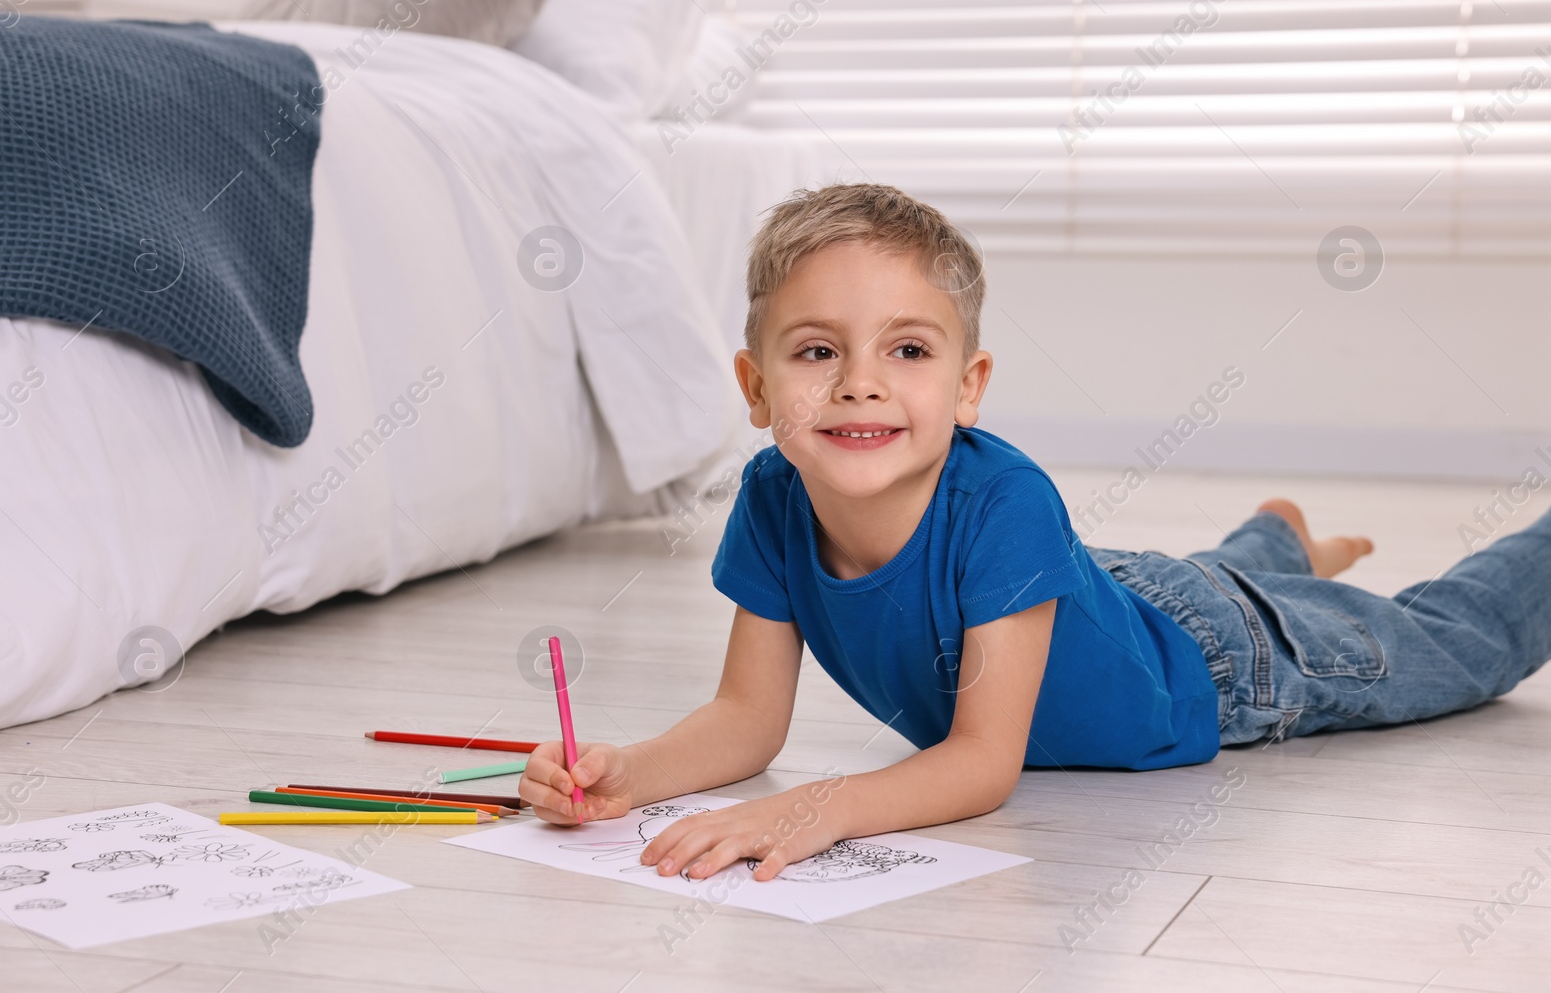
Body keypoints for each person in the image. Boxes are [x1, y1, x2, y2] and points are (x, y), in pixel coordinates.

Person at [520, 183, 1551, 881]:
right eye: (816, 349)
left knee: (1460, 641)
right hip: (1117, 591)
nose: (860, 379)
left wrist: (820, 807)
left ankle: (1277, 565)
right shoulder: (771, 494)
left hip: (1226, 659)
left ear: (968, 386)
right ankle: (1275, 538)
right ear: (755, 388)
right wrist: (629, 772)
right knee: (1190, 581)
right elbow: (746, 716)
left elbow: (979, 761)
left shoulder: (1005, 498)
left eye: (909, 348)